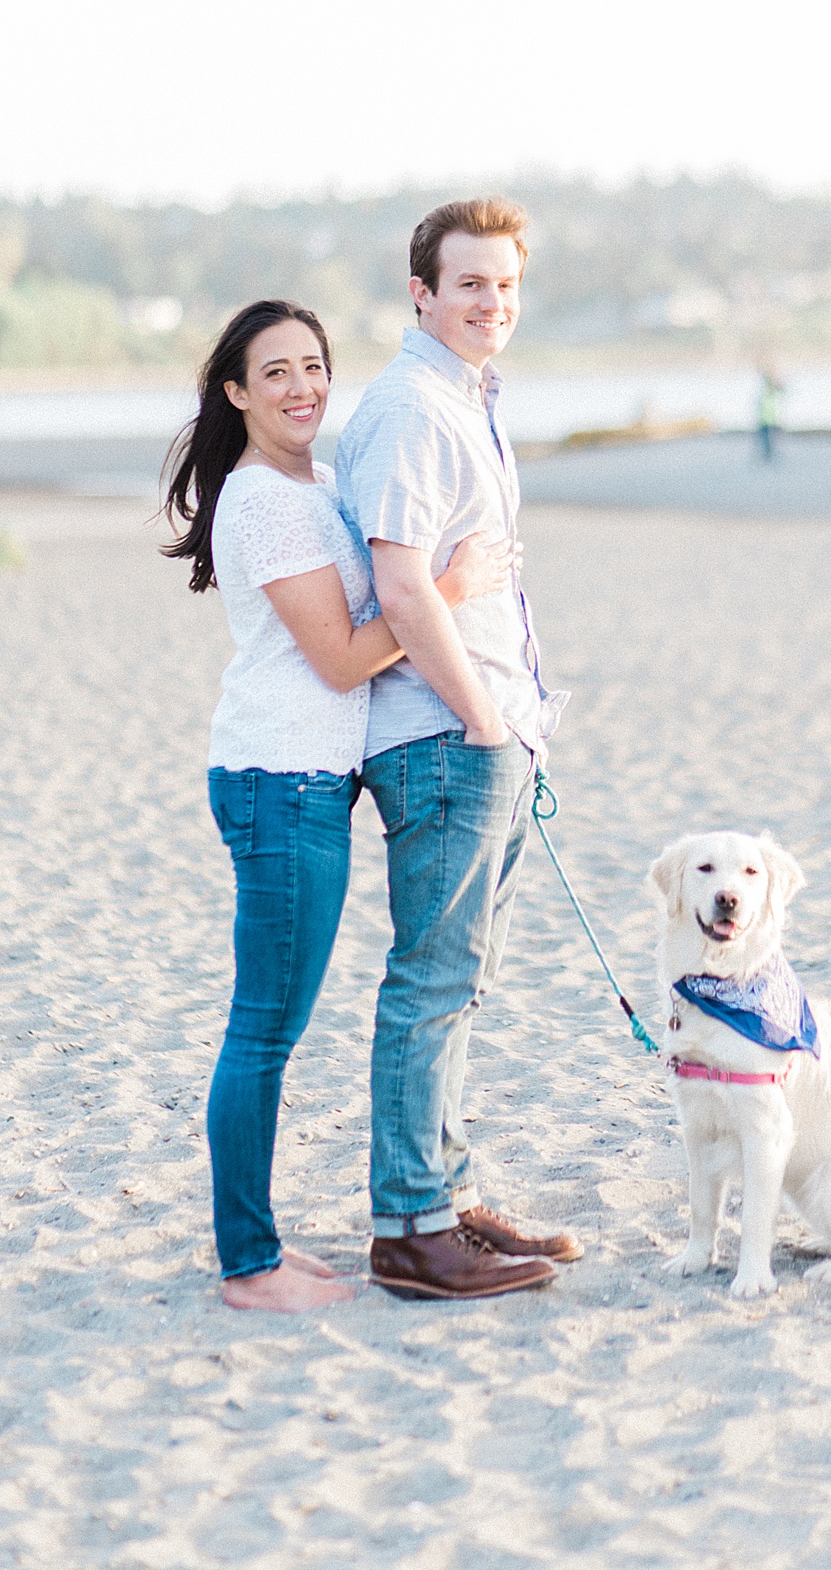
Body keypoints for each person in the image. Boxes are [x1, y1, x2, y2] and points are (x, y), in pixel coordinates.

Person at [160, 299, 506, 1312]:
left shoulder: (312, 482)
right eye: (276, 372)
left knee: (276, 1019)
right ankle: (248, 1263)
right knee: (264, 1025)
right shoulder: (261, 497)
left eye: (314, 366)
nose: (303, 386)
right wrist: (443, 586)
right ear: (235, 389)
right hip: (280, 783)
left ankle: (257, 1243)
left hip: (309, 782)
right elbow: (345, 652)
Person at [336, 196, 575, 1301]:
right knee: (432, 978)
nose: (493, 303)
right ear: (422, 292)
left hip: (485, 729)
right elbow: (399, 580)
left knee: (462, 977)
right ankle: (411, 1226)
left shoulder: (464, 396)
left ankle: (447, 1190)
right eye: (471, 283)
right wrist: (480, 714)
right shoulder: (409, 408)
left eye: (507, 285)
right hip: (442, 736)